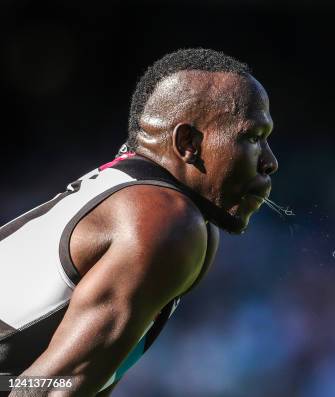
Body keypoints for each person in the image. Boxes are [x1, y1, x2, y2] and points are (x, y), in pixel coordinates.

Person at [0, 48, 278, 396]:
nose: (270, 162)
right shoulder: (165, 220)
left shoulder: (168, 212)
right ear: (188, 143)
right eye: (252, 138)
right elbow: (51, 388)